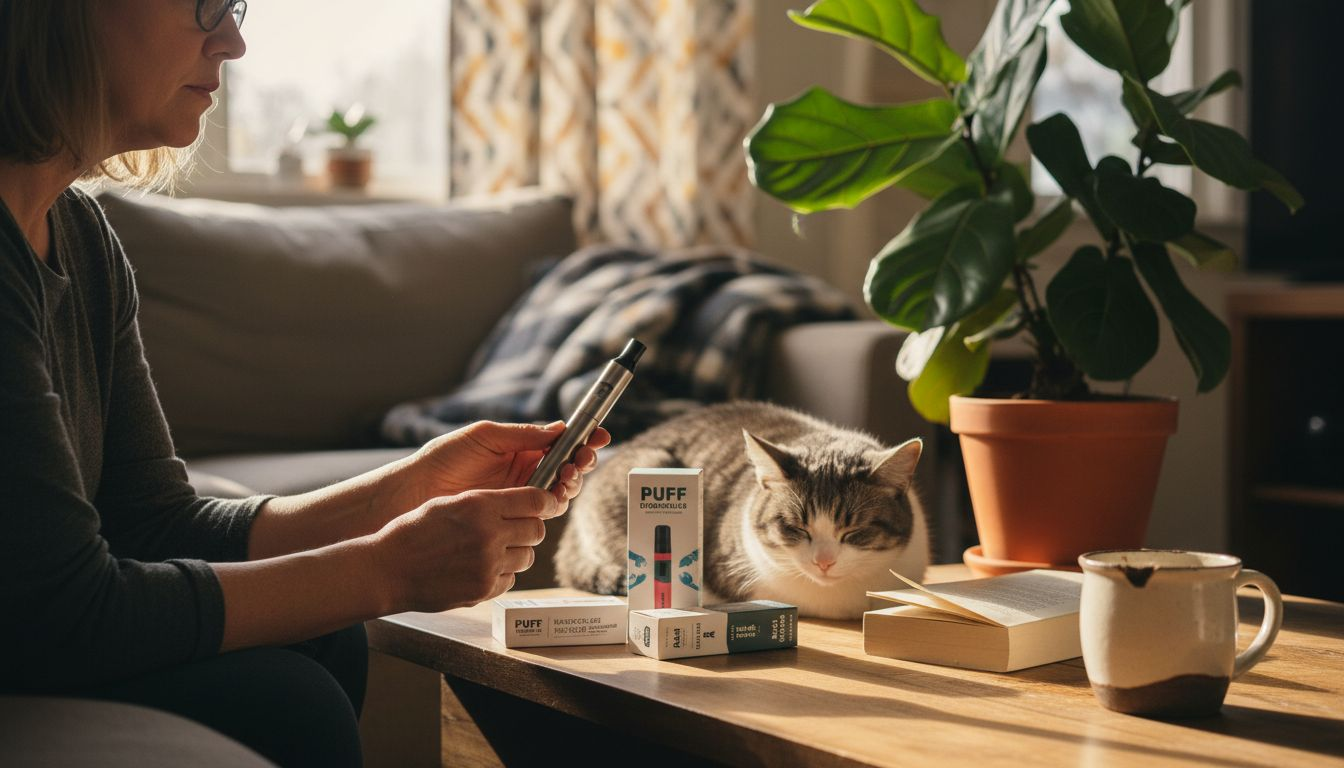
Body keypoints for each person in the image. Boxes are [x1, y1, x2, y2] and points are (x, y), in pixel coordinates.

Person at [0, 1, 609, 765]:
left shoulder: (84, 240)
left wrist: (405, 490)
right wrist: (388, 570)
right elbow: (60, 614)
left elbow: (152, 525)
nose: (233, 41)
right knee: (294, 702)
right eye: (203, 8)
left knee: (326, 641)